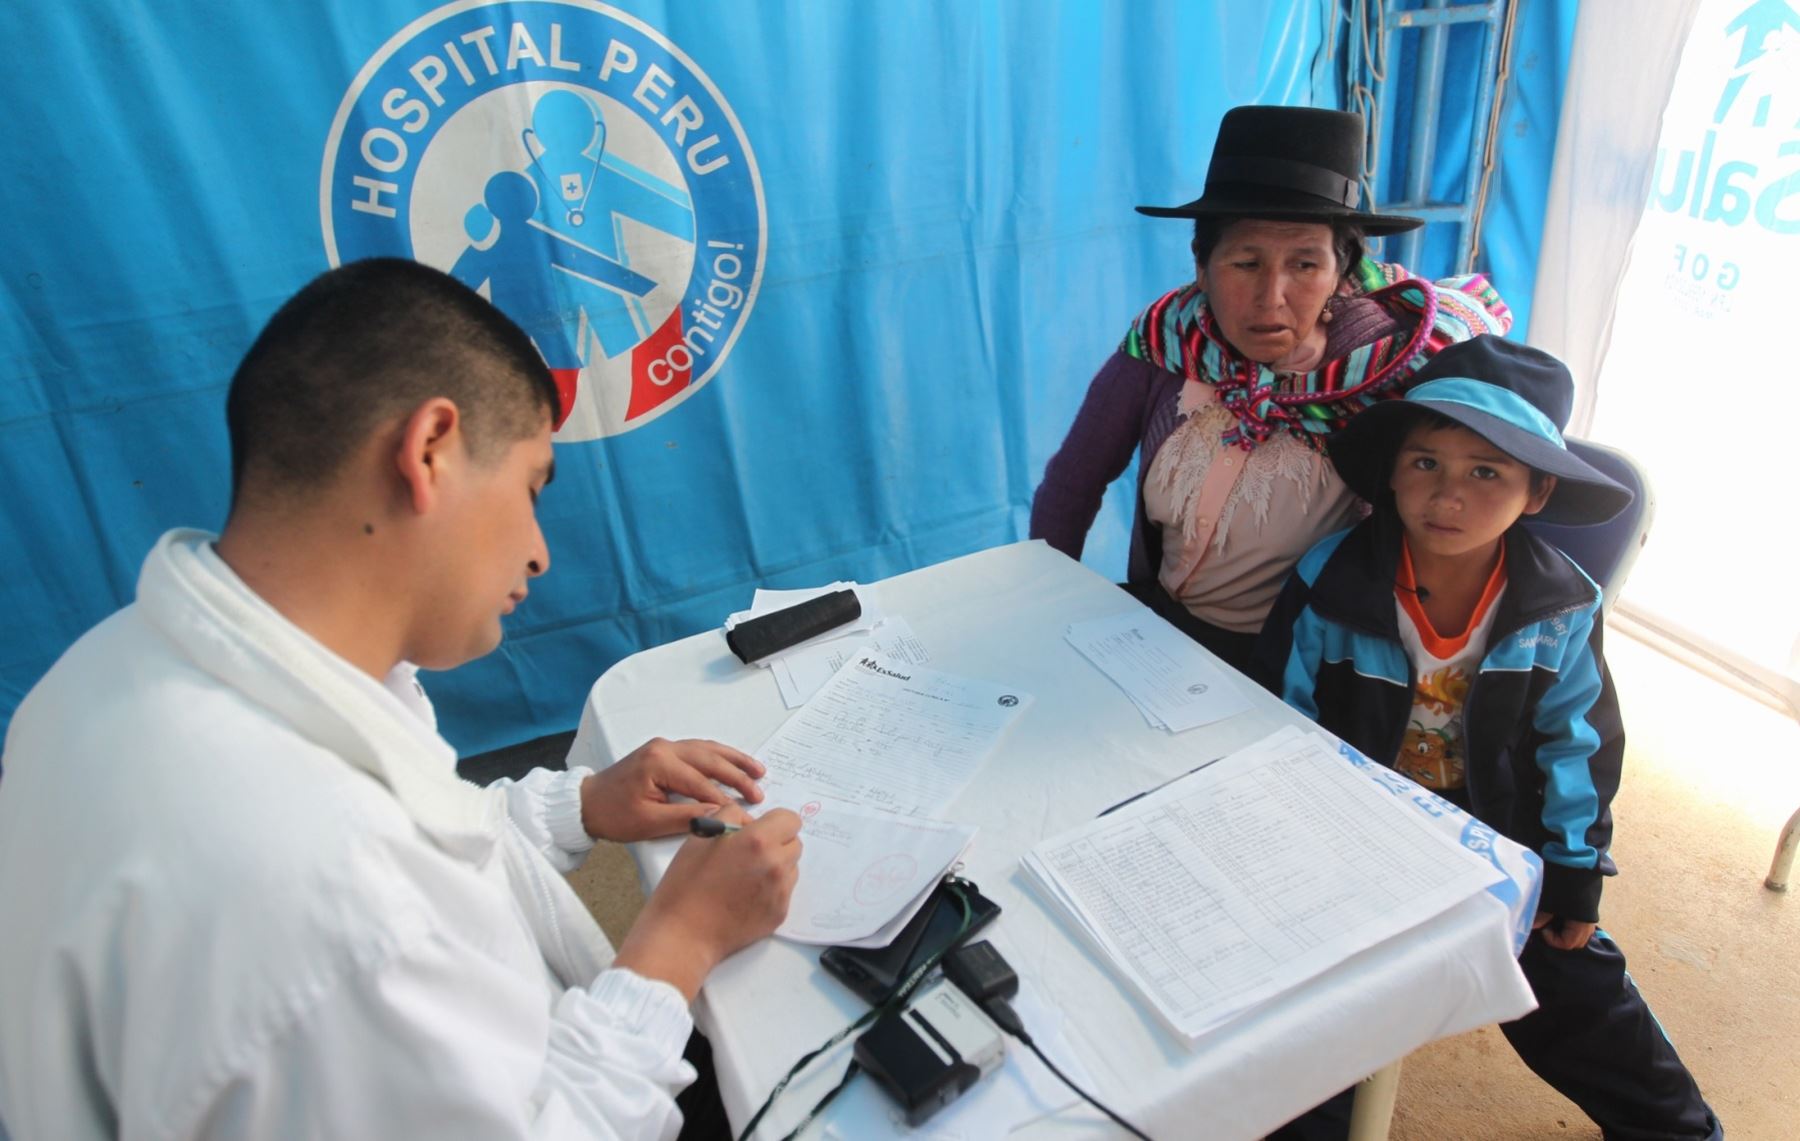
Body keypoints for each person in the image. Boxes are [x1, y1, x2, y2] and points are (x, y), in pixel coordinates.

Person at [0, 258, 802, 1140]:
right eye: (532, 488)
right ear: (429, 450)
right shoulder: (324, 899)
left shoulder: (121, 669)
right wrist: (678, 942)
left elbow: (425, 844)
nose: (537, 554)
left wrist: (577, 806)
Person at [1251, 337, 1721, 1140]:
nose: (1448, 495)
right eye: (1425, 462)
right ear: (1391, 472)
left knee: (1577, 979)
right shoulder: (1329, 580)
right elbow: (1276, 723)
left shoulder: (1563, 607)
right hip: (1345, 829)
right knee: (1309, 1024)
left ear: (1537, 491)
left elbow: (1578, 744)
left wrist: (1574, 869)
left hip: (1496, 833)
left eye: (1487, 472)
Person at [1030, 104, 1511, 670]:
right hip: (1157, 632)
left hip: (1308, 666)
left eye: (1305, 265)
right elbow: (1072, 482)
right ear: (1202, 265)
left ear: (1342, 273)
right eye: (1245, 262)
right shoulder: (1165, 343)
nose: (1271, 297)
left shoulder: (1395, 370)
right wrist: (1041, 609)